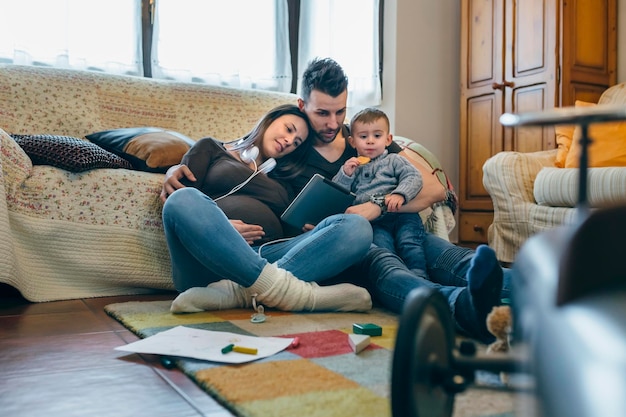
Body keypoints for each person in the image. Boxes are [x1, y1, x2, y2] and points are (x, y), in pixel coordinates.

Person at [162, 58, 509, 343]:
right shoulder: (288, 155)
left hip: (383, 224)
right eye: (321, 114)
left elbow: (434, 189)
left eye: (340, 112)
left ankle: (543, 290)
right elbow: (223, 162)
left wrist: (376, 205)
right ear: (302, 106)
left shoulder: (364, 140)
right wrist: (177, 169)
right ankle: (458, 306)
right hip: (327, 242)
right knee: (370, 246)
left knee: (452, 257)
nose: (332, 123)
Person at [162, 104, 374, 314]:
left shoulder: (284, 178)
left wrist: (315, 233)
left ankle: (240, 293)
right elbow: (180, 204)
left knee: (357, 227)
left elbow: (291, 235)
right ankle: (296, 295)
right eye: (289, 130)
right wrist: (221, 229)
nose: (290, 141)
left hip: (269, 256)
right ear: (270, 120)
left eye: (296, 142)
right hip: (209, 260)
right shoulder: (211, 148)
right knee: (182, 198)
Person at [332, 107, 428, 280]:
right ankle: (398, 278)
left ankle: (419, 276)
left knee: (409, 244)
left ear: (388, 139)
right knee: (383, 248)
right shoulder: (352, 167)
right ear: (353, 142)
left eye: (377, 136)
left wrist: (400, 194)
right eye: (363, 137)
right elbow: (337, 193)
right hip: (375, 223)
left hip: (403, 215)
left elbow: (414, 176)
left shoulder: (394, 160)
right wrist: (345, 174)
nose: (370, 141)